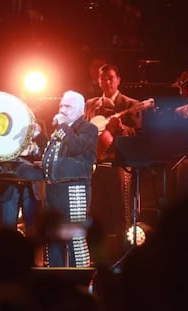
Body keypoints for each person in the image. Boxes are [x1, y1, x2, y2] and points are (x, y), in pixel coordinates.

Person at [84, 63, 143, 267]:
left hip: (119, 166)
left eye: (111, 78)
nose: (107, 82)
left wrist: (122, 129)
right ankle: (96, 258)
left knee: (121, 214)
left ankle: (124, 258)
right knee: (95, 213)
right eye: (103, 78)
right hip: (96, 166)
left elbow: (137, 135)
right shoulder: (91, 104)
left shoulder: (130, 104)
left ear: (118, 80)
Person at [33, 90, 98, 267]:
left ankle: (82, 277)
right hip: (54, 189)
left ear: (79, 110)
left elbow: (76, 147)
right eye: (61, 105)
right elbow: (55, 155)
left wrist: (62, 126)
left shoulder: (88, 128)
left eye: (67, 106)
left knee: (75, 236)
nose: (62, 109)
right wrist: (39, 136)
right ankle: (55, 277)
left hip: (73, 189)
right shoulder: (61, 131)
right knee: (52, 234)